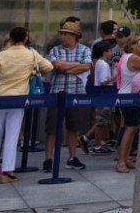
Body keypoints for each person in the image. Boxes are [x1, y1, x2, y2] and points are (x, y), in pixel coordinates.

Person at [0, 27, 52, 184]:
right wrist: (33, 70)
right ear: (26, 38)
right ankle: (7, 171)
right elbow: (49, 66)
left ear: (11, 38)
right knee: (12, 135)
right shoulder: (31, 54)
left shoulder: (2, 55)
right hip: (18, 97)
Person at [44, 20, 93, 173]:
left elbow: (86, 66)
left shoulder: (84, 49)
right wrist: (76, 65)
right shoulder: (55, 50)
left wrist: (66, 68)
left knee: (74, 127)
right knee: (52, 128)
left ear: (74, 36)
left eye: (66, 34)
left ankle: (72, 157)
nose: (62, 37)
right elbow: (56, 65)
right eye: (62, 34)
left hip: (77, 93)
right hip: (57, 92)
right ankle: (48, 159)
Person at [115, 35, 140, 173]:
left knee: (132, 128)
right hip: (129, 96)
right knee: (130, 127)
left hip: (130, 95)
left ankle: (125, 158)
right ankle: (121, 161)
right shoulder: (133, 58)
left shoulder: (127, 57)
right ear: (132, 45)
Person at [83, 40, 116, 155]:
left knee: (103, 120)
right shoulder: (102, 64)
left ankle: (96, 142)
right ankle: (94, 143)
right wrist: (114, 77)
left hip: (103, 93)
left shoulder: (102, 63)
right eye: (110, 50)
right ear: (104, 52)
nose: (112, 52)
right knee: (101, 120)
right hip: (103, 93)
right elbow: (102, 82)